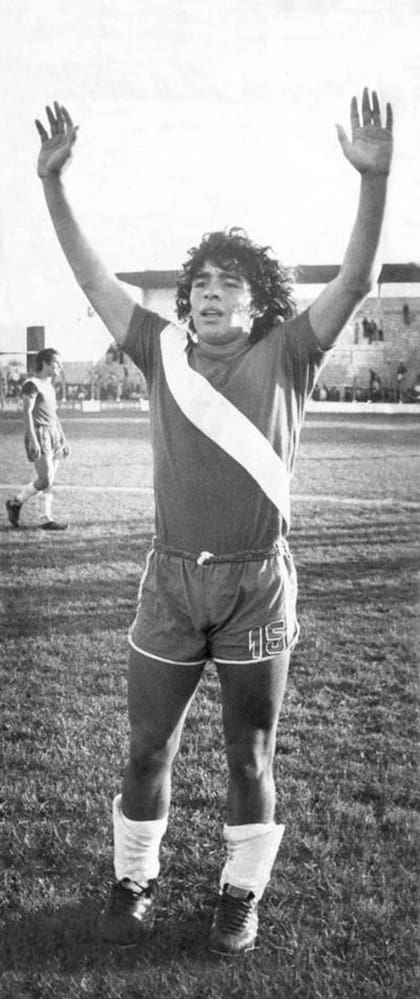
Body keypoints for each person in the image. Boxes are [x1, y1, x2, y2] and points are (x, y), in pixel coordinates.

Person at [33, 87, 393, 954]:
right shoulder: (158, 350)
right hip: (170, 579)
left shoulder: (291, 352)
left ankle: (239, 894)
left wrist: (374, 182)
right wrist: (55, 185)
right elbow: (91, 275)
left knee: (249, 755)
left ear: (258, 298)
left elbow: (360, 279)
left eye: (228, 282)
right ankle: (133, 879)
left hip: (256, 583)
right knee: (146, 749)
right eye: (198, 283)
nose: (207, 294)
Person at [5, 348, 70, 531]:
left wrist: (63, 439)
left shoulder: (50, 386)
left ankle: (45, 518)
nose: (60, 366)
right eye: (57, 363)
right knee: (46, 479)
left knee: (51, 479)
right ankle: (16, 502)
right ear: (46, 363)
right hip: (40, 433)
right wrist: (33, 439)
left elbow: (54, 415)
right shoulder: (32, 384)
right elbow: (26, 412)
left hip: (54, 433)